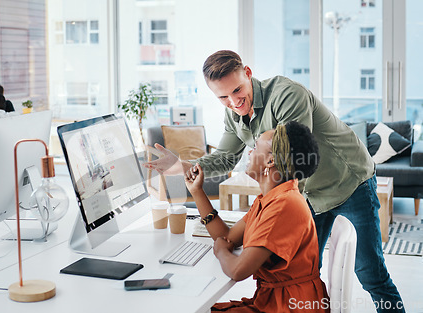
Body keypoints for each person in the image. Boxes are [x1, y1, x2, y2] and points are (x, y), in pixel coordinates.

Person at [145, 50, 405, 312]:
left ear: (248, 73)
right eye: (223, 97)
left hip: (348, 182)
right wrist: (184, 166)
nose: (234, 102)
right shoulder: (235, 115)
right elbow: (226, 158)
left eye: (237, 90)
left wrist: (268, 218)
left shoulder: (286, 96)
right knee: (300, 268)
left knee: (370, 273)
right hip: (303, 194)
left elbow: (291, 159)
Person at [185, 121, 328, 312]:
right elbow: (228, 236)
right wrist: (197, 192)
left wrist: (220, 251)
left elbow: (237, 271)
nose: (250, 153)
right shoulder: (271, 198)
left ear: (270, 161)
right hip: (274, 301)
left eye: (254, 147)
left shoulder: (284, 206)